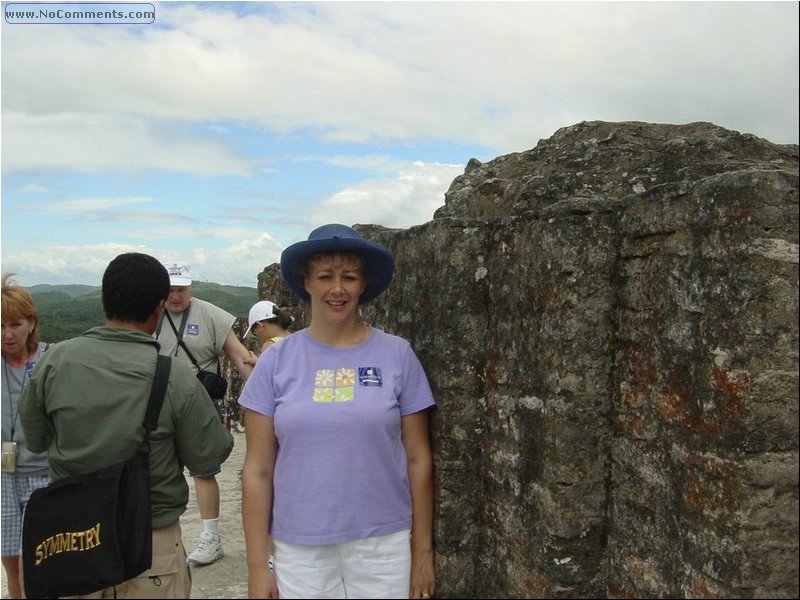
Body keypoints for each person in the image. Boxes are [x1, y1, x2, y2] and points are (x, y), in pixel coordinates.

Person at [18, 252, 234, 598]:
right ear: (159, 307)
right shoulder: (174, 374)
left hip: (74, 540)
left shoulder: (55, 361)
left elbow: (36, 438)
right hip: (151, 545)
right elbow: (208, 454)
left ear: (104, 301)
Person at [240, 223, 436, 600]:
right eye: (325, 276)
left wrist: (422, 552)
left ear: (363, 284)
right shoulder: (276, 362)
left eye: (349, 277)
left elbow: (418, 458)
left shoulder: (397, 355)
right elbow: (258, 469)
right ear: (307, 282)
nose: (337, 288)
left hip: (384, 543)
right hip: (300, 546)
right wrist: (256, 568)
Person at [155, 261, 255, 566]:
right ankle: (162, 540)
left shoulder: (210, 314)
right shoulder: (151, 314)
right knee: (158, 469)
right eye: (170, 289)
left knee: (204, 470)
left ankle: (211, 537)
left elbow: (239, 356)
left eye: (181, 289)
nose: (175, 295)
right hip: (158, 401)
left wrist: (261, 393)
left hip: (200, 402)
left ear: (190, 287)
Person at [1, 273, 51, 599]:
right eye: (0, 326)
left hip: (44, 473)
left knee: (44, 558)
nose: (7, 334)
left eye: (14, 324)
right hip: (3, 478)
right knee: (12, 561)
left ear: (31, 323)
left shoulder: (51, 360)